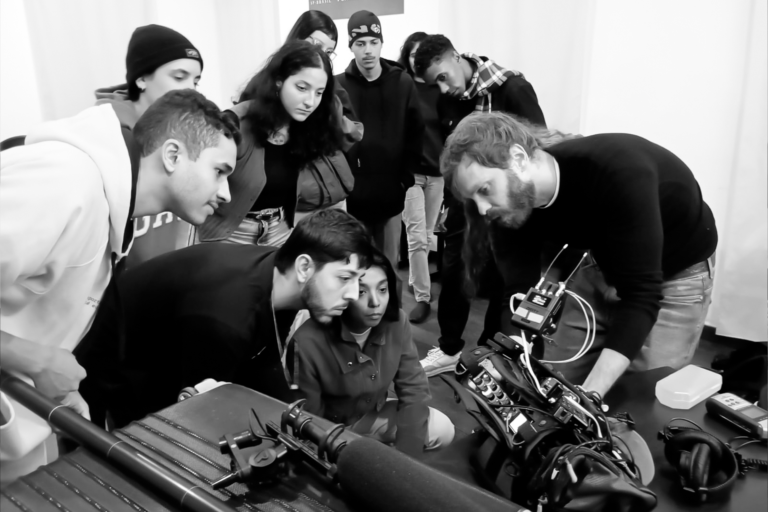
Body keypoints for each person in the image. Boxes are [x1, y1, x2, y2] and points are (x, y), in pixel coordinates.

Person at [0, 89, 239, 483]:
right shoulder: (65, 183)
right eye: (219, 171)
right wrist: (35, 360)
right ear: (173, 155)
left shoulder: (110, 212)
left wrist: (54, 385)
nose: (227, 193)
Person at [442, 112, 718, 397]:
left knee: (643, 398)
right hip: (600, 262)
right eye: (473, 200)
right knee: (557, 384)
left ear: (518, 159)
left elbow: (641, 296)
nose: (483, 209)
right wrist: (518, 354)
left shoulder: (618, 172)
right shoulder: (510, 209)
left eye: (484, 190)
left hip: (675, 273)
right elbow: (518, 292)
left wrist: (590, 398)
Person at [76, 209, 374, 429]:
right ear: (304, 267)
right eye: (344, 278)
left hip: (173, 339)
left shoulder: (283, 278)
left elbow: (263, 361)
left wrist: (299, 424)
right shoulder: (227, 320)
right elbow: (192, 413)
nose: (353, 295)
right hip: (121, 363)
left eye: (357, 280)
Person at [412, 34, 547, 376]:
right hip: (463, 207)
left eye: (443, 77)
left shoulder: (512, 89)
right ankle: (448, 347)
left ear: (456, 57)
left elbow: (538, 149)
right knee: (455, 270)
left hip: (505, 202)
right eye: (434, 84)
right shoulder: (451, 101)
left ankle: (492, 347)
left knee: (505, 278)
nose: (442, 89)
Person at [293, 247, 455, 457]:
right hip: (329, 430)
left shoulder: (396, 321)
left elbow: (414, 388)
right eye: (361, 292)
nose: (375, 302)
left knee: (442, 429)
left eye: (382, 289)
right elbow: (309, 423)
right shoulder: (307, 342)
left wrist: (404, 465)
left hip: (369, 416)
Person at [197, 41, 343, 247]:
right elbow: (201, 184)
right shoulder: (236, 123)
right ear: (278, 82)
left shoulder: (304, 127)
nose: (310, 101)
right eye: (302, 88)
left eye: (319, 92)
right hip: (232, 234)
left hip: (280, 230)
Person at [95, 24, 205, 265]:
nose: (190, 89)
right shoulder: (105, 137)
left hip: (168, 275)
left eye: (195, 81)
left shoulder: (185, 131)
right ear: (142, 78)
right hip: (119, 286)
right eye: (179, 77)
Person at [335, 10, 424, 273]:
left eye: (373, 42)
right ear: (351, 47)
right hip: (354, 198)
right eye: (360, 44)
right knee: (355, 268)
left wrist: (404, 180)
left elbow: (416, 132)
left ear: (381, 43)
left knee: (388, 267)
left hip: (391, 194)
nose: (368, 50)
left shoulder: (402, 82)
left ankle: (392, 314)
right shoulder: (339, 86)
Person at [284, 10, 364, 221]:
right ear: (297, 37)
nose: (311, 100)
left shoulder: (332, 87)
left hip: (335, 193)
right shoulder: (272, 81)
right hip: (297, 205)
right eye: (315, 45)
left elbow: (354, 131)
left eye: (328, 52)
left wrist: (333, 120)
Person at [397, 32, 444, 324]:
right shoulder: (403, 87)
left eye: (421, 55)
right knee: (416, 237)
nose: (416, 60)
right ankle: (423, 297)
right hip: (411, 173)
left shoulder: (440, 89)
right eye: (412, 55)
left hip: (438, 174)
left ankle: (417, 282)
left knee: (426, 236)